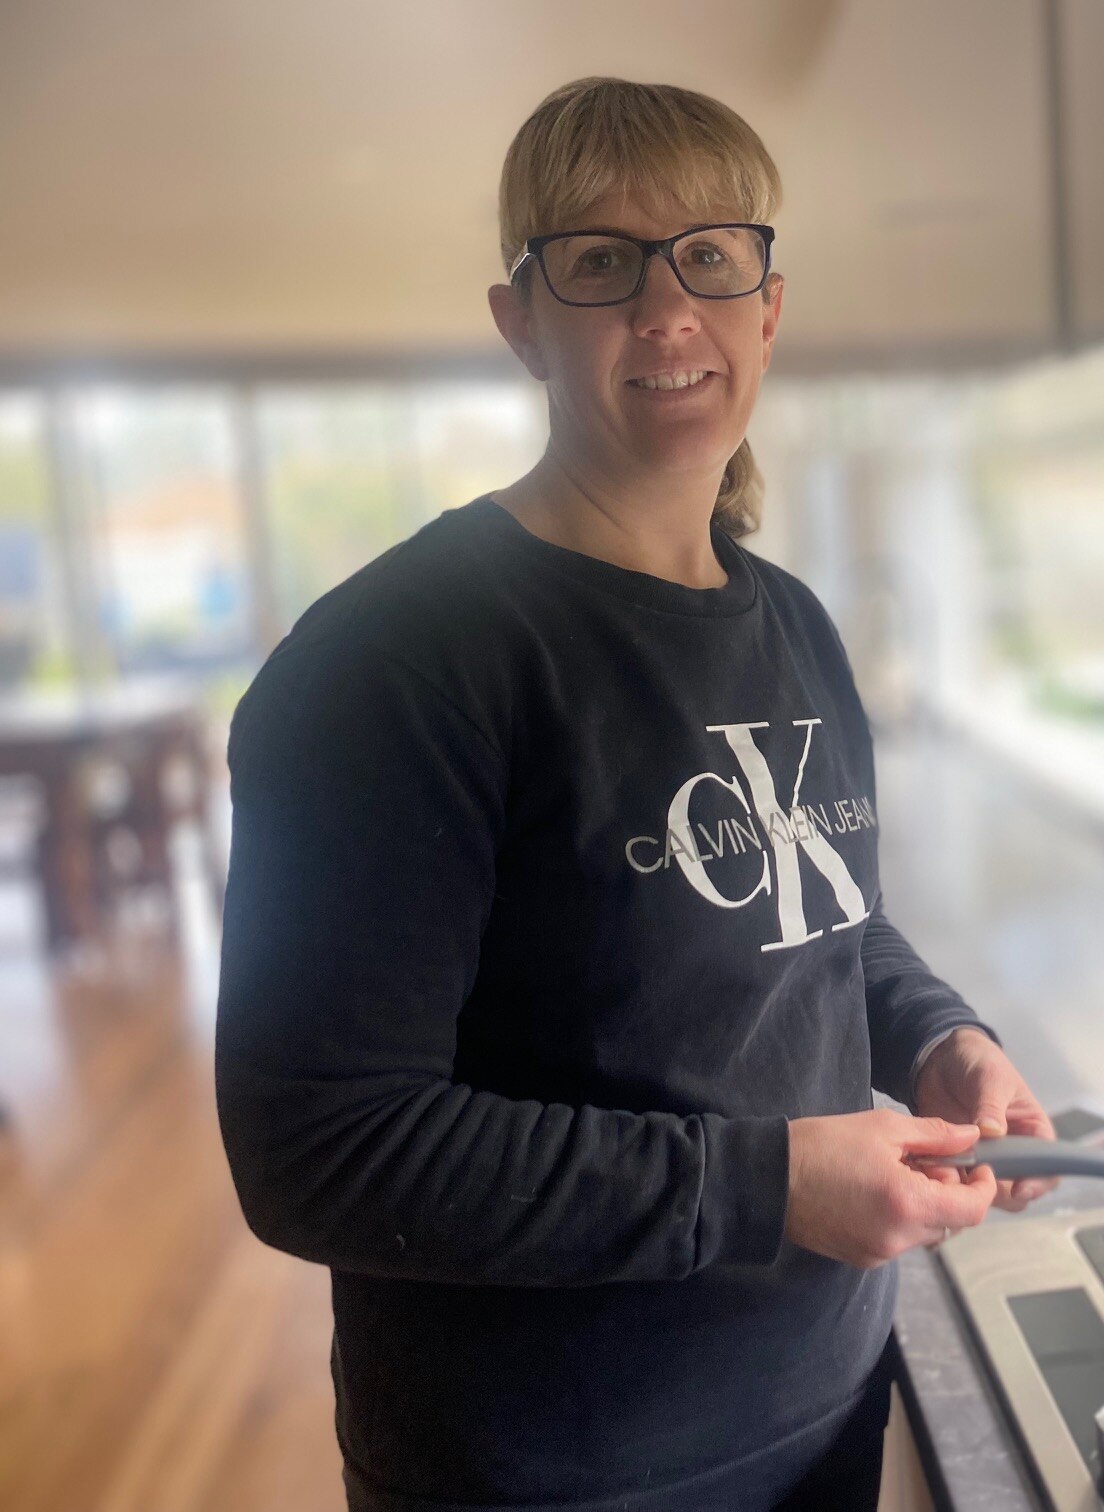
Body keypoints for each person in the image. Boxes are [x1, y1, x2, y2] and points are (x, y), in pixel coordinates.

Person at [213, 75, 1061, 1512]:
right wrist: (766, 1188)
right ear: (521, 321)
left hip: (823, 1407)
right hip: (551, 1469)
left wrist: (938, 1038)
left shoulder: (792, 623)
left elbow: (827, 924)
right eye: (599, 264)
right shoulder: (395, 666)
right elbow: (321, 1149)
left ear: (769, 308)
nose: (667, 313)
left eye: (710, 258)